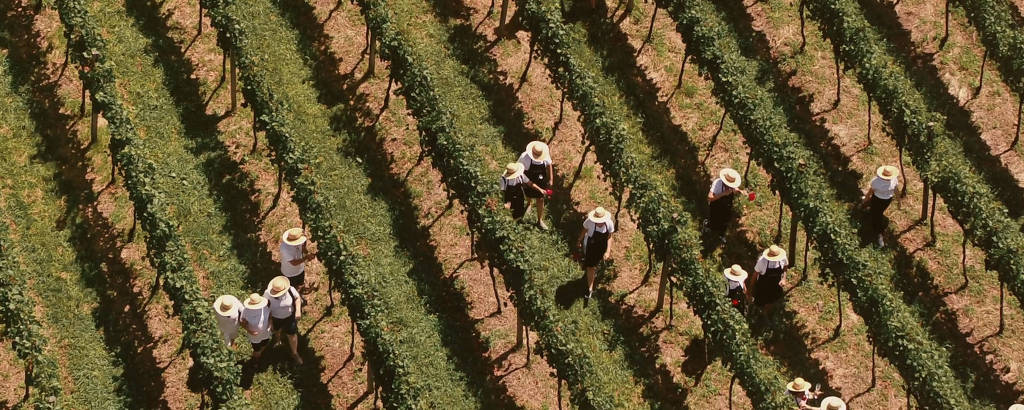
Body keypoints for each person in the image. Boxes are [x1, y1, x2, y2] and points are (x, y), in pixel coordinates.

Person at [577, 207, 614, 299]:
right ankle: (590, 288)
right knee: (590, 266)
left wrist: (608, 251)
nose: (599, 222)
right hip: (590, 246)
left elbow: (609, 237)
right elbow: (584, 230)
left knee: (596, 262)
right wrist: (579, 240)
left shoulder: (609, 223)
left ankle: (593, 269)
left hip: (601, 246)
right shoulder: (589, 222)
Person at [264, 276, 303, 365]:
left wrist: (297, 310)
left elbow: (297, 298)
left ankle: (294, 353)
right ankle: (277, 340)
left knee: (292, 334)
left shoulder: (290, 290)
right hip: (275, 317)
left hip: (289, 317)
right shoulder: (267, 294)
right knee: (276, 330)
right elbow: (265, 307)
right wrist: (269, 320)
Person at [518, 141, 554, 229]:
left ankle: (539, 220)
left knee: (540, 199)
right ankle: (529, 203)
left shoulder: (544, 155)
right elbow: (520, 172)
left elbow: (549, 165)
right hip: (528, 179)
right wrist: (528, 184)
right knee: (528, 193)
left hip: (540, 179)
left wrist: (551, 179)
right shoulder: (524, 158)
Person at [862, 165, 899, 247]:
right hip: (887, 201)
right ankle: (872, 212)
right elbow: (896, 190)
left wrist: (865, 199)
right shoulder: (894, 180)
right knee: (879, 211)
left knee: (876, 216)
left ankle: (879, 233)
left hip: (877, 199)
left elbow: (870, 192)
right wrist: (899, 201)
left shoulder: (876, 181)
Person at [707, 168, 748, 241]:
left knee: (725, 219)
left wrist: (741, 191)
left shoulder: (732, 185)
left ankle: (721, 234)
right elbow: (710, 197)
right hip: (716, 204)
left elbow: (735, 189)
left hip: (727, 205)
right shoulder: (717, 183)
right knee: (714, 217)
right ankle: (710, 228)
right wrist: (723, 194)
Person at [280, 227, 315, 294]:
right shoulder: (285, 249)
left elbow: (303, 248)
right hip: (290, 273)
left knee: (300, 283)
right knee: (292, 289)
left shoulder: (298, 240)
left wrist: (307, 253)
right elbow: (294, 263)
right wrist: (306, 258)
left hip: (300, 269)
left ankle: (300, 291)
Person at [752, 245, 788, 310]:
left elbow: (785, 266)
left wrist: (784, 278)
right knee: (759, 304)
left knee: (772, 302)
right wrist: (751, 288)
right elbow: (755, 275)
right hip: (763, 287)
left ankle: (768, 312)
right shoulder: (762, 262)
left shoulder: (783, 258)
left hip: (775, 286)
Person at [240, 293, 272, 360]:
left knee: (265, 342)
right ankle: (256, 359)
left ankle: (261, 352)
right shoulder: (245, 311)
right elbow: (243, 323)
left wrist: (270, 324)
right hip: (254, 336)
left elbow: (270, 316)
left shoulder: (265, 308)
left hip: (265, 332)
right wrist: (249, 331)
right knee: (256, 348)